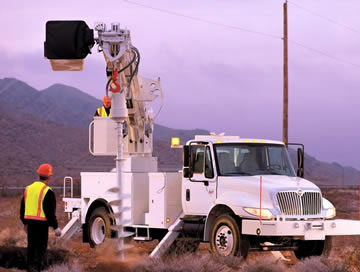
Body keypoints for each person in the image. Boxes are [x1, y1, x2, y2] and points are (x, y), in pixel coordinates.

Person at [20, 163, 61, 272]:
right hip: (42, 225)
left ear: (38, 175)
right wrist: (56, 227)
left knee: (31, 248)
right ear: (49, 176)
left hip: (30, 224)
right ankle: (39, 269)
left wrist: (24, 223)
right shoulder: (48, 191)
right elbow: (50, 213)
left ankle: (29, 269)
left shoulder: (28, 189)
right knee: (41, 250)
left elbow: (22, 208)